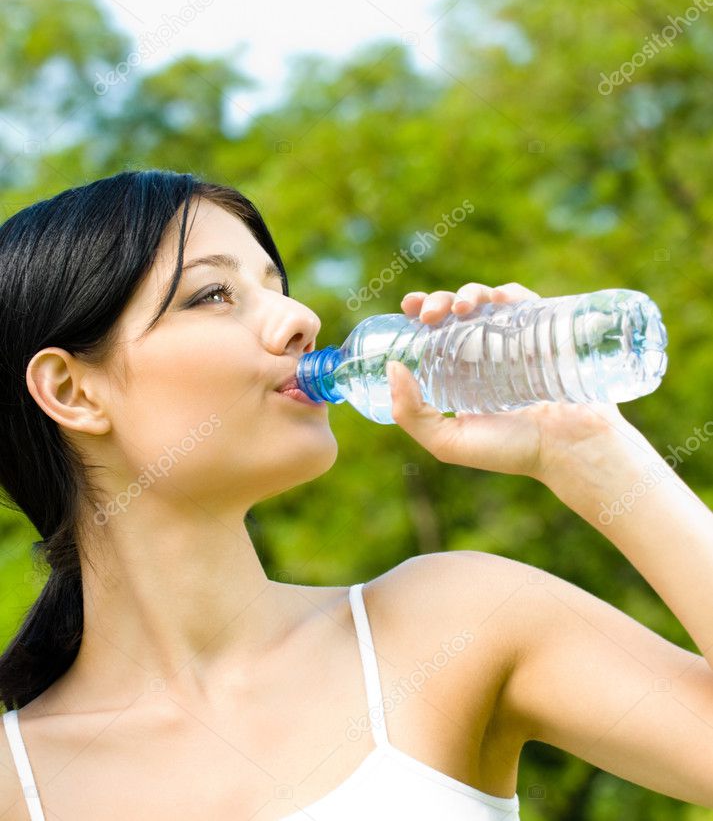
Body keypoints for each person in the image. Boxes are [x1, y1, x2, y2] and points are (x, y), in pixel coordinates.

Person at [0, 168, 711, 820]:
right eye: (212, 294)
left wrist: (592, 452)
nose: (301, 317)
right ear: (72, 390)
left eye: (277, 286)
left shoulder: (452, 622)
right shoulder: (15, 781)